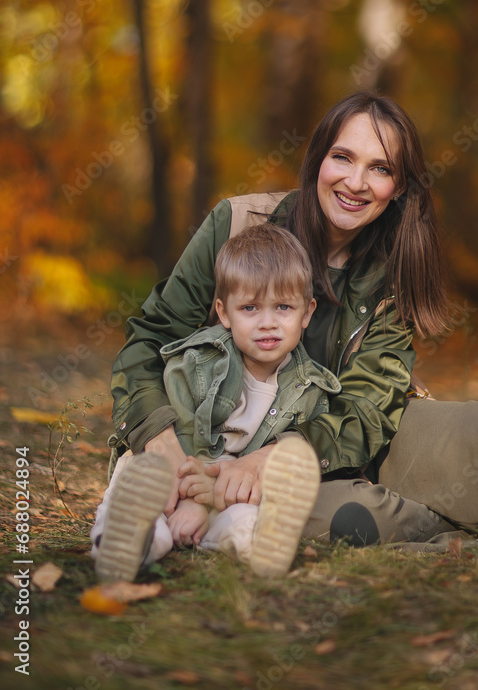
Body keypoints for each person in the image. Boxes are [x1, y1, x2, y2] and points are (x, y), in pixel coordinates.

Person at [108, 91, 478, 553]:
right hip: (208, 441)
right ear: (318, 159)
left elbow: (368, 406)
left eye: (381, 169)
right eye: (343, 158)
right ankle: (440, 531)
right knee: (342, 516)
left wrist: (278, 455)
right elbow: (149, 341)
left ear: (399, 187)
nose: (356, 182)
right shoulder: (237, 225)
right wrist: (161, 441)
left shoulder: (393, 269)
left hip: (338, 443)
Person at [92, 224, 341, 581]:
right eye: (250, 308)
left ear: (306, 313)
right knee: (140, 491)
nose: (267, 323)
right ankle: (130, 540)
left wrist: (217, 498)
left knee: (245, 519)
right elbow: (179, 434)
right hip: (169, 467)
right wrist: (193, 499)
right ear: (224, 313)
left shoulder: (311, 389)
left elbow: (280, 461)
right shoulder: (198, 362)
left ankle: (258, 546)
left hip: (226, 489)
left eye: (283, 307)